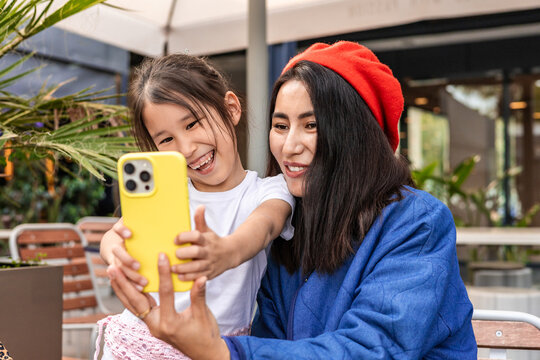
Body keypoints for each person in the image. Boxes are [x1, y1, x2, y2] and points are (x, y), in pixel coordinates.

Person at [108, 41, 477, 359]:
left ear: (354, 131)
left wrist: (220, 351)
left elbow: (374, 349)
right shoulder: (294, 230)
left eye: (311, 125)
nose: (289, 145)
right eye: (281, 125)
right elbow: (271, 339)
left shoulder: (417, 221)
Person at [97, 54, 295, 359]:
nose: (187, 148)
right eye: (166, 139)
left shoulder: (269, 190)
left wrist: (226, 252)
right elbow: (115, 234)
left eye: (192, 123)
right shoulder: (167, 193)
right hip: (137, 341)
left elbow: (266, 224)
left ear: (231, 108)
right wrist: (115, 253)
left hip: (212, 349)